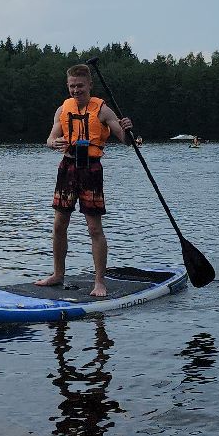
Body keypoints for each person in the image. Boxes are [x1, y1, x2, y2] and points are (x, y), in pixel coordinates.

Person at [35, 64, 135, 298]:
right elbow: (51, 137)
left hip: (91, 169)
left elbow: (125, 140)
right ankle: (58, 274)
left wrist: (127, 129)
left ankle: (99, 281)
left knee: (94, 228)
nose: (76, 90)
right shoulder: (63, 109)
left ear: (90, 84)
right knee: (59, 225)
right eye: (72, 86)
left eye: (80, 86)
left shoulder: (103, 110)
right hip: (67, 167)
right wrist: (53, 143)